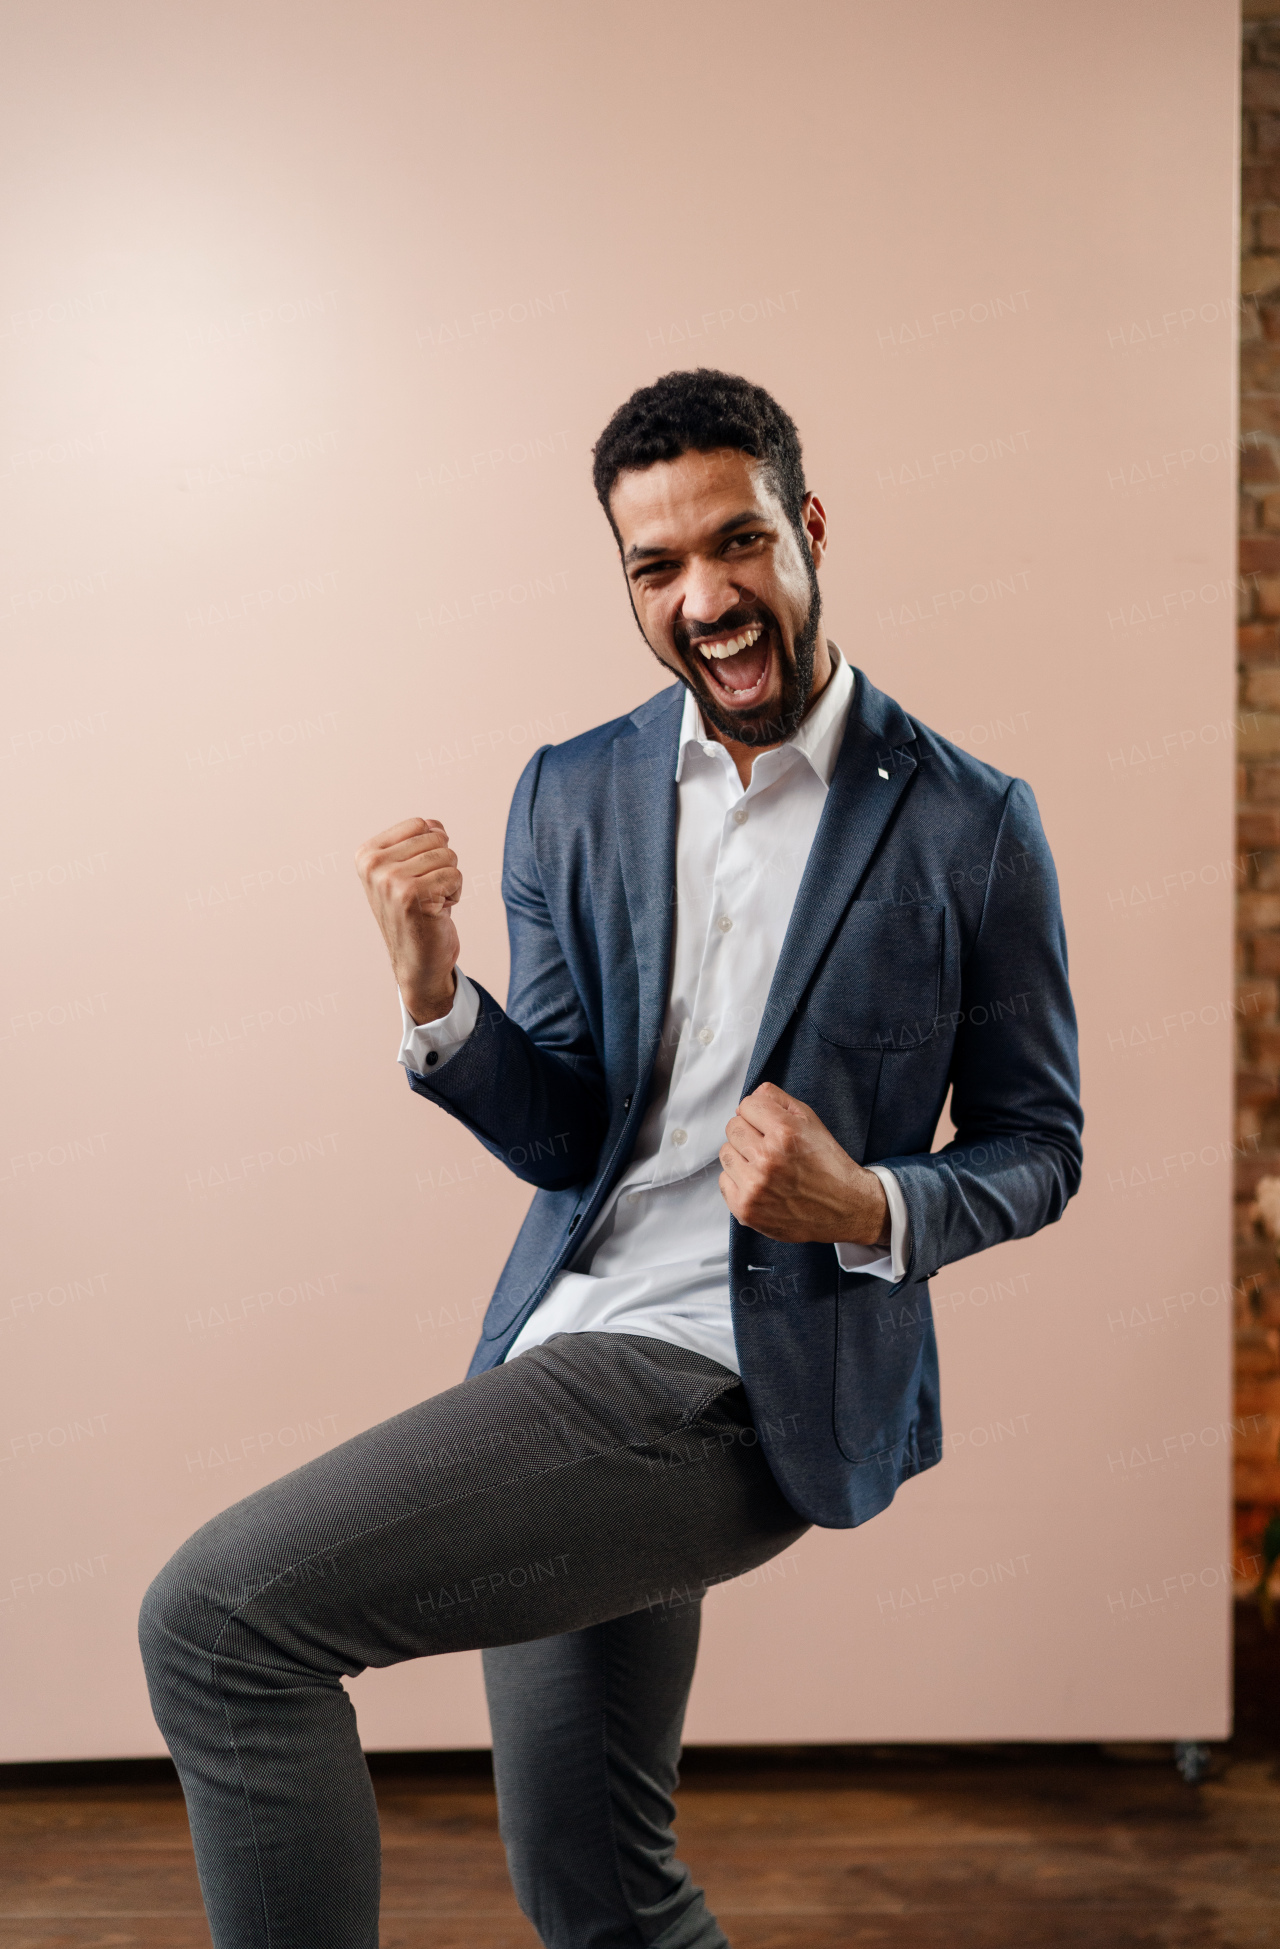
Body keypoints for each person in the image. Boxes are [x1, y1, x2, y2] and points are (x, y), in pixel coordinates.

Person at [140, 367, 1083, 1949]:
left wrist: (870, 1202)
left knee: (221, 1622)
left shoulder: (969, 824)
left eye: (740, 544)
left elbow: (1038, 1144)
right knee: (594, 1878)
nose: (706, 598)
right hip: (558, 1350)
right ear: (628, 582)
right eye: (658, 568)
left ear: (810, 528)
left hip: (728, 1377)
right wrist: (439, 997)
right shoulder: (573, 791)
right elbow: (568, 1126)